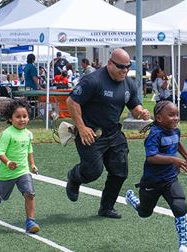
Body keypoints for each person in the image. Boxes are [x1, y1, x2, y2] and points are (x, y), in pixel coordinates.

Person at [65, 48, 150, 219]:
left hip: (113, 133)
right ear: (110, 63)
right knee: (93, 172)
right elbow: (72, 101)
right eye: (121, 67)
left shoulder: (128, 83)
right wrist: (81, 128)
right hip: (91, 133)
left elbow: (134, 106)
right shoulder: (93, 80)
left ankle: (106, 207)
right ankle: (74, 178)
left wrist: (141, 112)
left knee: (120, 172)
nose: (124, 71)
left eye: (127, 67)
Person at [125, 101, 187, 252]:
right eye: (171, 115)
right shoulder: (154, 134)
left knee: (180, 206)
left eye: (177, 115)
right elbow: (152, 157)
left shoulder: (175, 130)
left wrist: (186, 156)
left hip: (170, 179)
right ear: (159, 118)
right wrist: (174, 159)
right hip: (152, 181)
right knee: (144, 212)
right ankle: (132, 199)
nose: (176, 118)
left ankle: (183, 244)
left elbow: (177, 142)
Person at [0, 99, 40, 233]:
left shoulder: (28, 134)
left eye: (24, 116)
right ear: (10, 119)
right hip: (7, 173)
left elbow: (29, 150)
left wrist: (32, 165)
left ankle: (30, 221)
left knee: (29, 193)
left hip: (23, 171)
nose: (22, 119)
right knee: (3, 197)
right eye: (18, 117)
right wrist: (8, 162)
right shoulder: (7, 134)